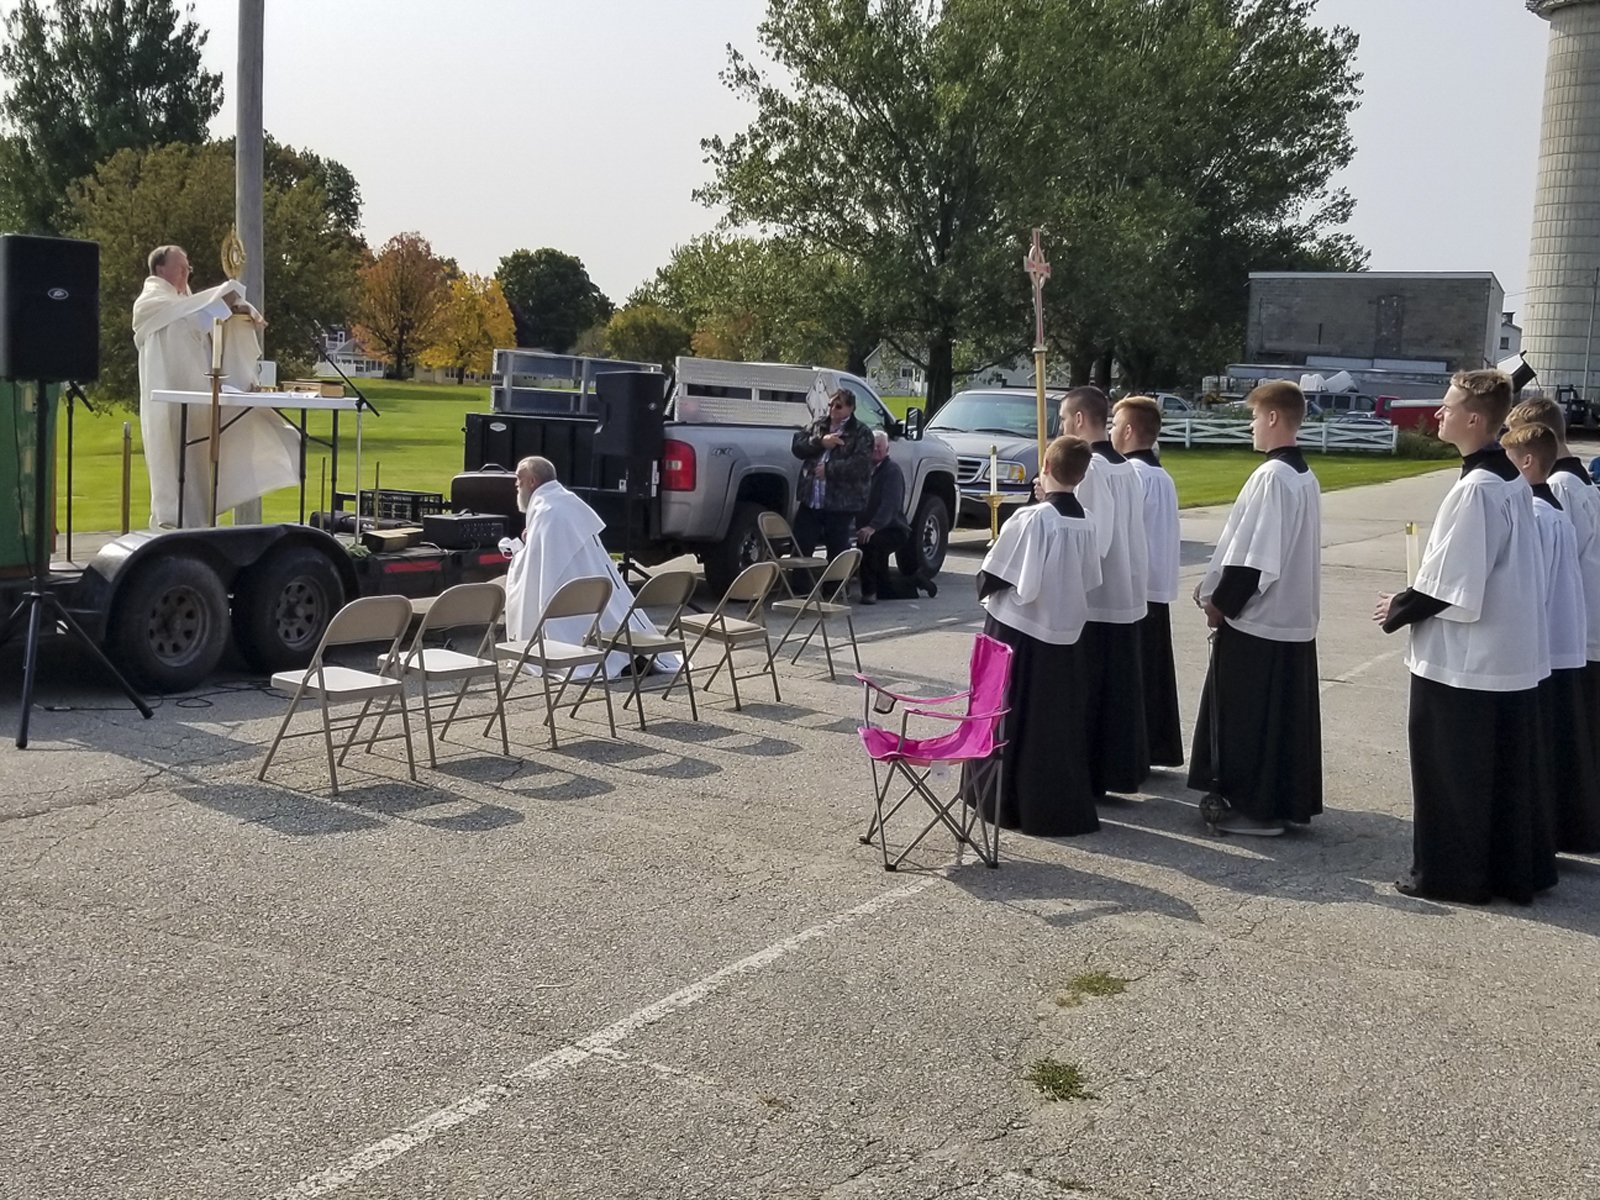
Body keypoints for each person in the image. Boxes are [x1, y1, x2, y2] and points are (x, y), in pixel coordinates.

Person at [1375, 369, 1556, 904]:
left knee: (1452, 771)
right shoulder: (1509, 479)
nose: (1438, 415)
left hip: (1467, 660)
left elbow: (1451, 583)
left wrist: (1398, 606)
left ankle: (1452, 875)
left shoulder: (1478, 489)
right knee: (1498, 771)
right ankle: (1505, 869)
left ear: (1474, 419)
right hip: (1505, 652)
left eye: (1447, 407)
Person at [1189, 380, 1323, 836]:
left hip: (1261, 622)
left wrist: (1221, 605)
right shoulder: (1303, 474)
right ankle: (1279, 801)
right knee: (1278, 722)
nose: (1249, 426)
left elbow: (1254, 559)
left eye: (1252, 417)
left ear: (1272, 418)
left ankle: (1255, 808)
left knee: (1248, 719)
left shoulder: (1272, 477)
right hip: (1292, 620)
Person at [969, 435, 1102, 836]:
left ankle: (1000, 802)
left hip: (1019, 631)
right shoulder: (1088, 521)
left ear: (1044, 466)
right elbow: (1091, 579)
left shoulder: (1032, 519)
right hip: (1064, 635)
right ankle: (1052, 806)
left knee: (1009, 716)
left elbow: (991, 577)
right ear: (1081, 476)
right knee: (1050, 724)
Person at [131, 244, 299, 528]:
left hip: (195, 397)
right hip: (169, 398)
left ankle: (198, 523)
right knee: (174, 465)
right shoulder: (153, 302)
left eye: (188, 267)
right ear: (160, 269)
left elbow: (201, 323)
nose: (186, 272)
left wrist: (235, 313)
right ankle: (174, 522)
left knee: (202, 463)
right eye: (180, 266)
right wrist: (223, 303)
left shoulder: (181, 302)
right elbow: (187, 322)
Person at [1502, 422, 1600, 854]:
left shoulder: (1542, 512)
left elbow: (1530, 583)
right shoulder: (1557, 507)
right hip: (1567, 637)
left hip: (1544, 641)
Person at [503, 456, 677, 679]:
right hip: (594, 584)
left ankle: (610, 657)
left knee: (570, 622)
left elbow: (535, 570)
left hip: (567, 595)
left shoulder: (547, 510)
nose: (515, 485)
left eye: (519, 479)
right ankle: (629, 657)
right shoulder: (564, 500)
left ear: (533, 481)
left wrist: (516, 552)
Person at [1057, 385, 1149, 798]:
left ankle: (1090, 775)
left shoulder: (1092, 468)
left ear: (1079, 420)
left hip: (1097, 598)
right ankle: (1113, 770)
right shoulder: (1127, 468)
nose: (1060, 427)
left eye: (1062, 419)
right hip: (1125, 591)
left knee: (1090, 693)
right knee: (1114, 690)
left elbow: (1096, 538)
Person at [1112, 395, 1183, 768]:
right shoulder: (1162, 475)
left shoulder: (1134, 476)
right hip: (1157, 586)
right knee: (1153, 672)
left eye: (1114, 424)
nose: (1110, 431)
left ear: (1127, 430)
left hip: (1136, 587)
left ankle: (1136, 751)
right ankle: (1156, 746)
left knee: (1136, 676)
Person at [791, 388, 874, 559]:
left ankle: (833, 586)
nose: (832, 410)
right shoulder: (819, 425)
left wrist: (829, 469)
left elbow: (861, 465)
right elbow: (798, 446)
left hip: (840, 506)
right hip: (811, 502)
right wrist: (820, 441)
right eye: (830, 405)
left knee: (837, 554)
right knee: (800, 551)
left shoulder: (861, 432)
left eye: (838, 406)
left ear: (850, 409)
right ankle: (800, 586)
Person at [855, 430, 936, 603]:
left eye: (880, 447)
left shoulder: (892, 471)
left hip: (893, 529)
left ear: (887, 450)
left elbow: (890, 506)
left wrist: (872, 527)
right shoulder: (863, 470)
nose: (876, 450)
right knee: (885, 587)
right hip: (873, 528)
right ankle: (912, 582)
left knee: (867, 543)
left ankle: (869, 593)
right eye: (872, 446)